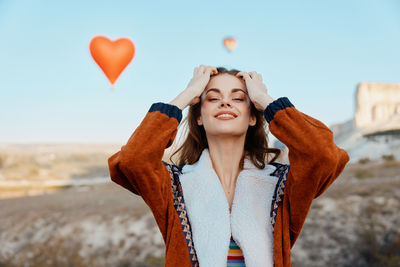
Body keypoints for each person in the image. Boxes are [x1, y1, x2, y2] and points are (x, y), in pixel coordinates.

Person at [108, 65, 350, 267]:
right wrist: (187, 94)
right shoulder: (174, 185)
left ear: (253, 115)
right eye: (213, 98)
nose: (225, 103)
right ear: (199, 117)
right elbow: (132, 160)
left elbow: (323, 154)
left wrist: (267, 100)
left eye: (238, 98)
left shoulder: (282, 184)